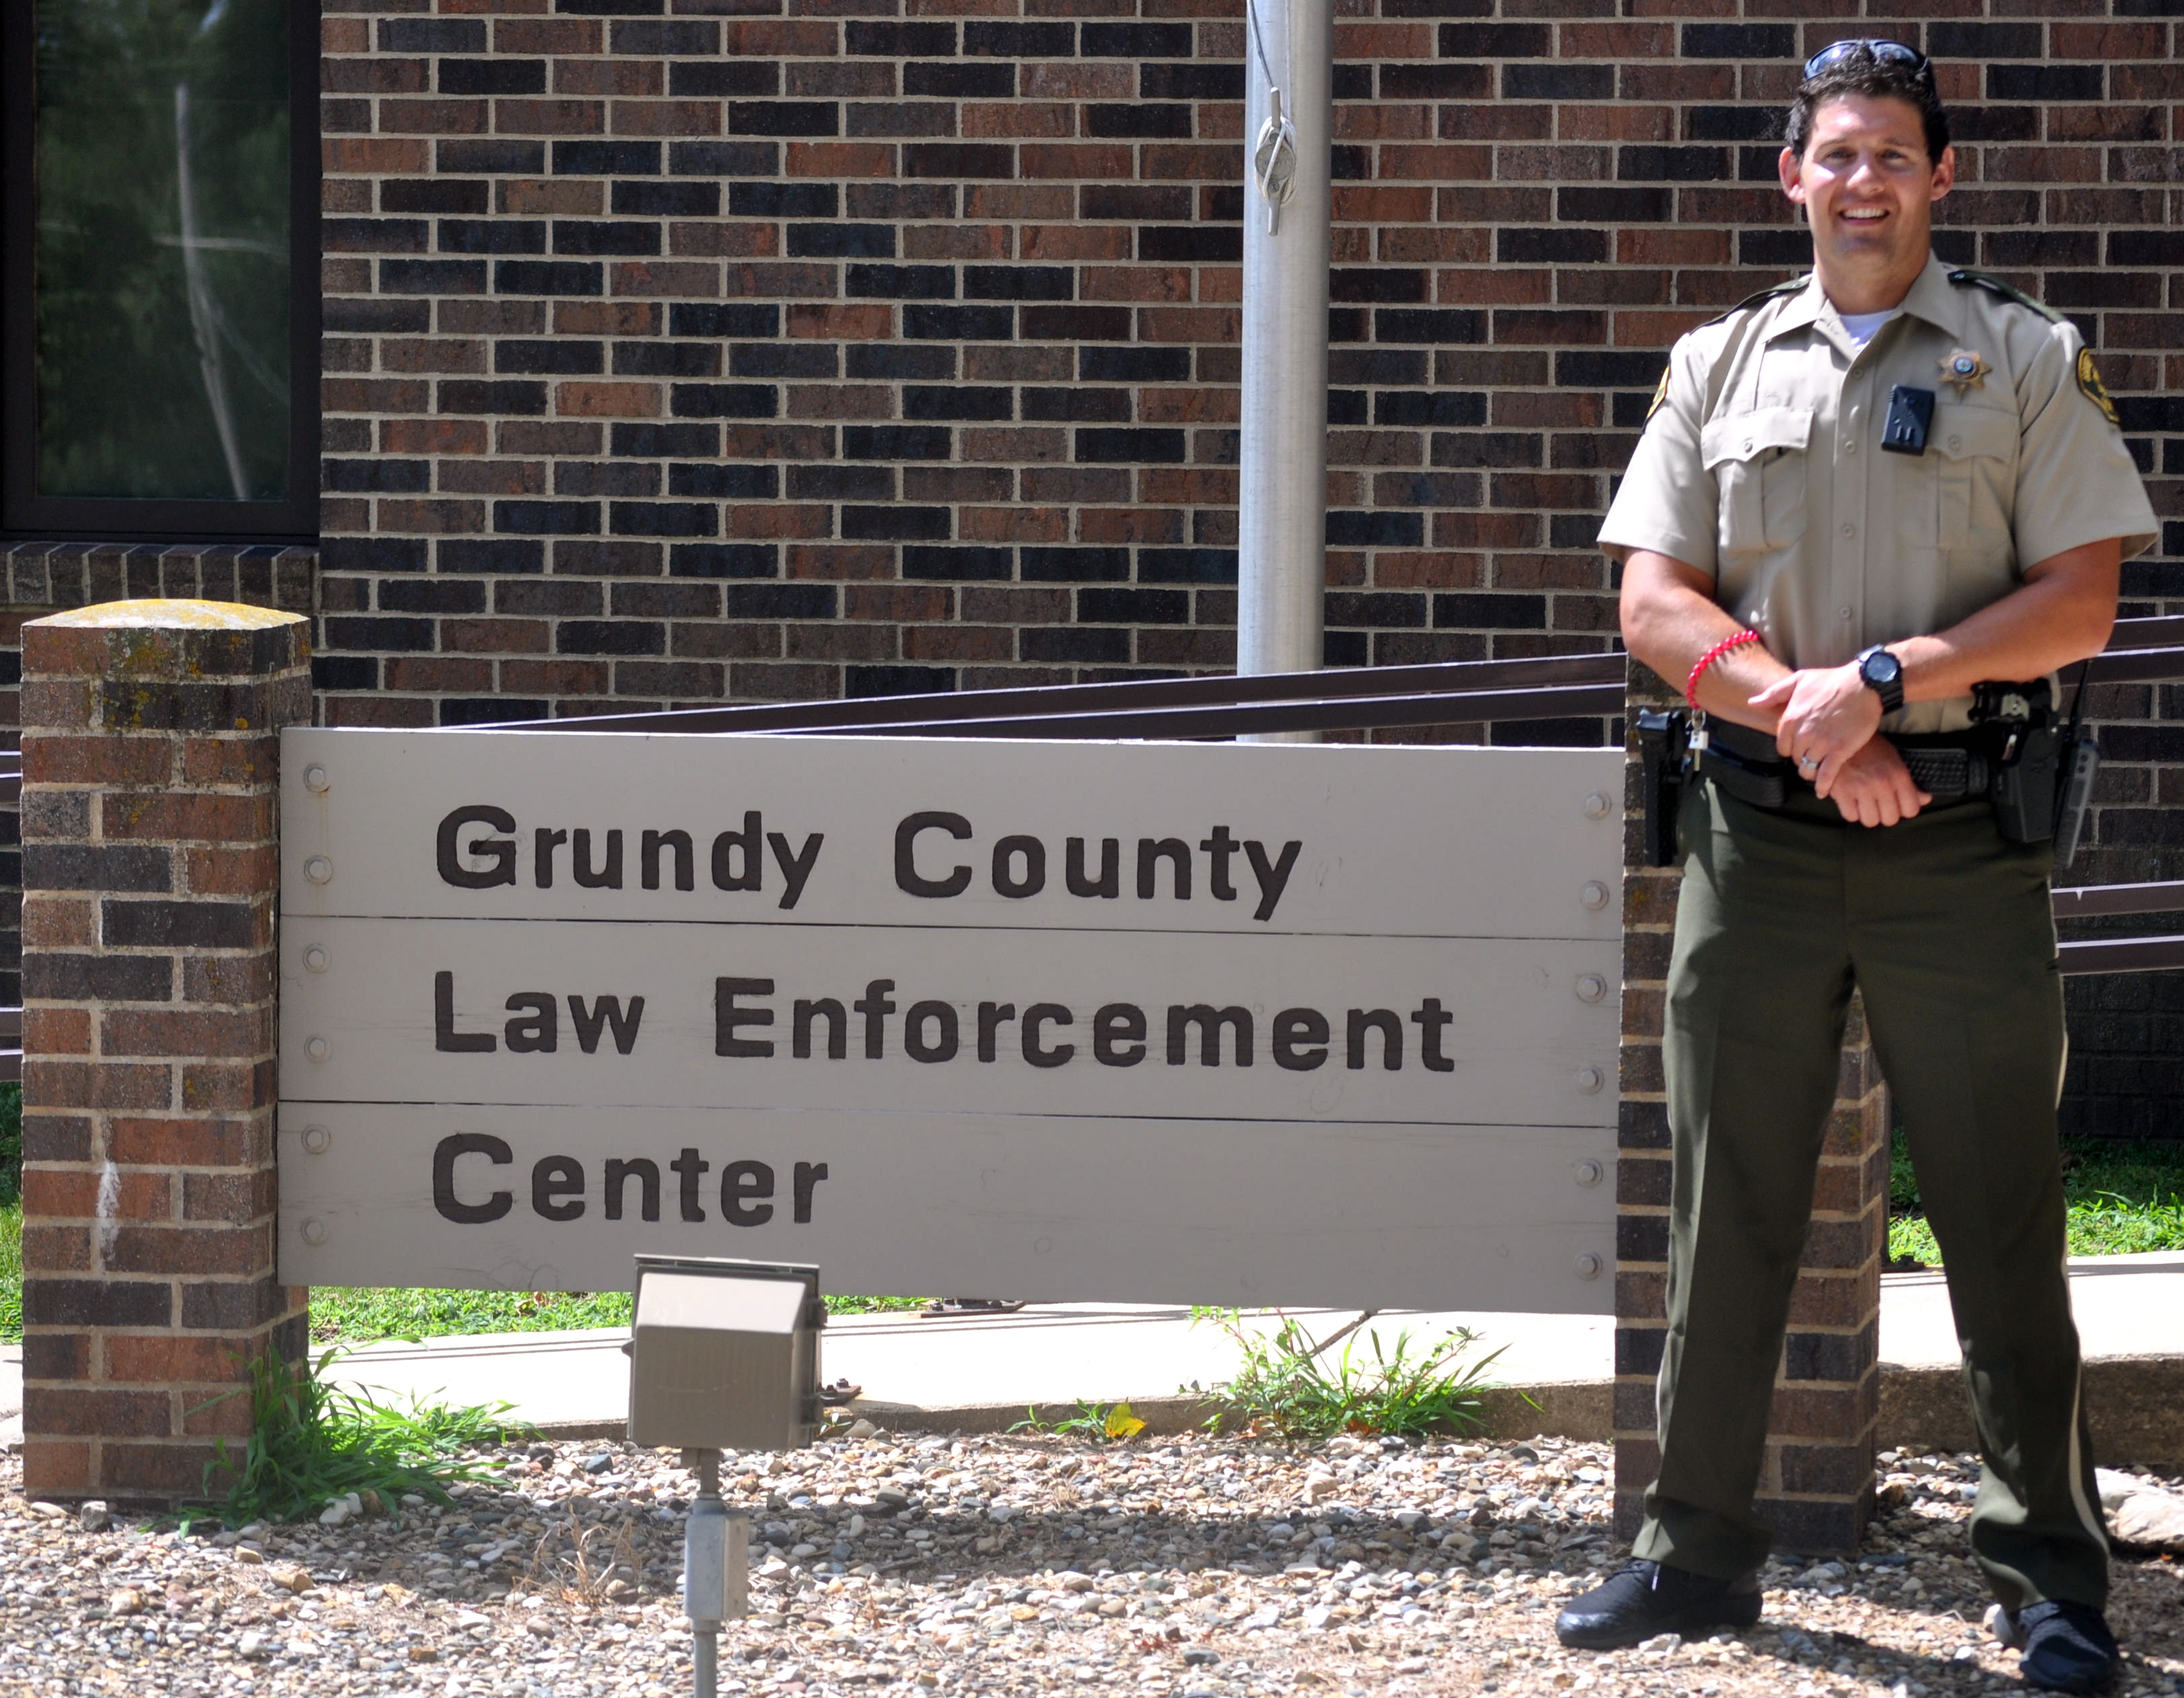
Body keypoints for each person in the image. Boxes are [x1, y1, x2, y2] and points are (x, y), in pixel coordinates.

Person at [1552, 40, 2156, 1696]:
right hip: (1753, 836)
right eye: (1834, 153)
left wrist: (1879, 683)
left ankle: (2047, 1575)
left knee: (1995, 1209)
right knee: (1722, 1198)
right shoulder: (1714, 362)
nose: (1862, 180)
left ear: (1939, 176)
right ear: (1790, 178)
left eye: (1892, 152)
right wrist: (1809, 722)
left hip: (1954, 839)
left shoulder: (2020, 358)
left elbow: (2079, 600)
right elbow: (1650, 600)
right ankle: (1688, 1550)